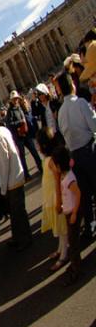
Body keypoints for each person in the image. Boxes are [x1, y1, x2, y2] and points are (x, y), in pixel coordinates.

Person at [55, 70, 96, 250]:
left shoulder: (61, 111)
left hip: (75, 156)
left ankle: (91, 225)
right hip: (89, 151)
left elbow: (64, 135)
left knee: (85, 193)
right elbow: (94, 126)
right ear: (72, 84)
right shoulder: (80, 103)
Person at [0, 112, 31, 250]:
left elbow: (4, 166)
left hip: (12, 180)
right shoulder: (2, 130)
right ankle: (17, 238)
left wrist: (2, 190)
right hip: (15, 176)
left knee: (18, 212)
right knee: (15, 213)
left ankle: (24, 240)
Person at [51, 146, 81, 284]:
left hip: (72, 215)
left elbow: (78, 194)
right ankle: (74, 265)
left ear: (58, 165)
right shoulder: (65, 177)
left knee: (73, 243)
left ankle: (76, 270)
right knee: (71, 240)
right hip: (68, 213)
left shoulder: (69, 179)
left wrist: (74, 212)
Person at [38, 129, 66, 272]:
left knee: (62, 228)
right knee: (60, 227)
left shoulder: (51, 161)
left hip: (55, 197)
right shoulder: (47, 160)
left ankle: (64, 254)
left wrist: (59, 200)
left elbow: (57, 179)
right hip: (51, 197)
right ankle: (61, 249)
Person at [5, 91, 42, 178]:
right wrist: (19, 123)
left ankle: (41, 167)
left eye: (17, 99)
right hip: (19, 137)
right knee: (22, 157)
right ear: (11, 100)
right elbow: (10, 125)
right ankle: (26, 175)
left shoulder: (19, 108)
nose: (16, 101)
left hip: (26, 134)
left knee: (34, 151)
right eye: (14, 99)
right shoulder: (10, 112)